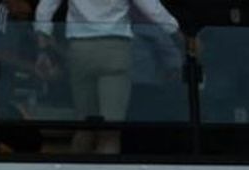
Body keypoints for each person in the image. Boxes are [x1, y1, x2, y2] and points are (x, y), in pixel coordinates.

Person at [32, 0, 180, 154]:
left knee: (84, 126)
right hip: (115, 48)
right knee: (110, 131)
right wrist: (177, 32)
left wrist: (43, 50)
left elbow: (44, 9)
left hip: (80, 50)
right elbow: (151, 8)